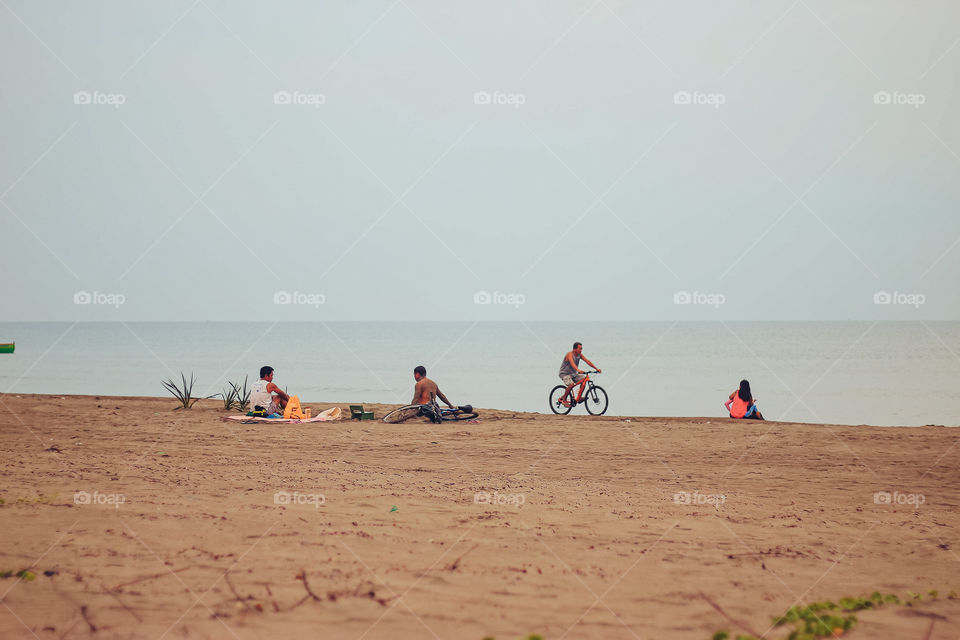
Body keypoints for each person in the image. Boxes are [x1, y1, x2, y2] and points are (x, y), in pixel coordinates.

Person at [558, 342, 601, 407]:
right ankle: (564, 400)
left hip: (573, 374)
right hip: (565, 374)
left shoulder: (580, 355)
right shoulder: (569, 354)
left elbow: (587, 361)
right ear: (574, 349)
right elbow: (572, 364)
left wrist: (596, 368)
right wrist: (578, 370)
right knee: (571, 384)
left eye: (581, 349)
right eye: (580, 349)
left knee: (584, 379)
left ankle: (579, 397)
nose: (581, 350)